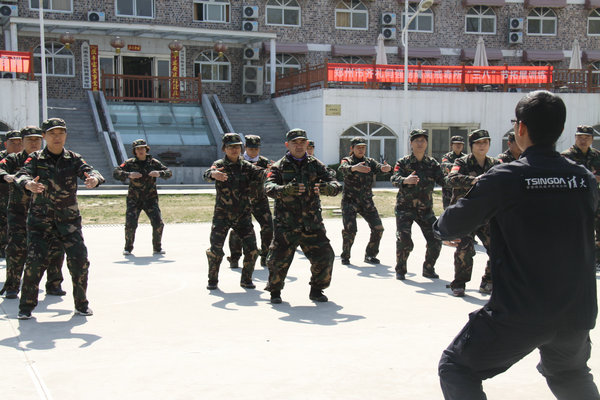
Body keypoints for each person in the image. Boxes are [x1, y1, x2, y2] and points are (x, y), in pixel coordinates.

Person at [435, 90, 600, 400]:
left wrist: (440, 228)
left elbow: (450, 226)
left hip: (520, 311)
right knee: (569, 374)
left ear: (520, 128)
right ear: (560, 129)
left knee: (456, 367)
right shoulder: (583, 178)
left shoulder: (506, 177)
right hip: (576, 311)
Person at [15, 118, 105, 320]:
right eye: (52, 134)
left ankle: (81, 304)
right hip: (41, 222)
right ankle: (26, 307)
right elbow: (22, 174)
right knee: (35, 263)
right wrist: (29, 184)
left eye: (61, 133)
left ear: (65, 135)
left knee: (80, 261)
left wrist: (94, 179)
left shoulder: (73, 158)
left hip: (69, 222)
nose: (57, 137)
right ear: (44, 136)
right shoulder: (36, 158)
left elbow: (91, 171)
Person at [264, 128, 341, 304]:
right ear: (287, 145)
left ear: (307, 144)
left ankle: (316, 290)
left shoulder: (316, 165)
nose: (299, 146)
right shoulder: (278, 166)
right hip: (286, 224)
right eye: (294, 143)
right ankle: (275, 291)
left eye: (302, 142)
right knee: (277, 261)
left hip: (312, 223)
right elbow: (268, 187)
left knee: (325, 256)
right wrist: (285, 190)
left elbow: (336, 184)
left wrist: (328, 188)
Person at [0, 126, 65, 299]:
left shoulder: (47, 158)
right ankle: (12, 286)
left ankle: (54, 284)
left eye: (37, 139)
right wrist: (6, 176)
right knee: (16, 248)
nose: (34, 143)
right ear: (22, 142)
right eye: (30, 139)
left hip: (46, 211)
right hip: (19, 211)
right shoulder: (14, 159)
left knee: (55, 246)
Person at [203, 133, 265, 290]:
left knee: (252, 249)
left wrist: (273, 171)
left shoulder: (246, 166)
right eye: (230, 147)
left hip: (243, 216)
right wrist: (213, 174)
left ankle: (246, 279)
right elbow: (207, 174)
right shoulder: (219, 165)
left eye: (237, 146)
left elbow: (262, 174)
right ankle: (212, 280)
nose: (234, 149)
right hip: (222, 215)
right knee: (216, 250)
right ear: (224, 148)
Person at [445, 129, 500, 297]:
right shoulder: (462, 162)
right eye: (478, 143)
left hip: (486, 215)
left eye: (485, 142)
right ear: (471, 146)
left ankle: (488, 280)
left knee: (497, 247)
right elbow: (450, 179)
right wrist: (473, 180)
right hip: (466, 215)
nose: (482, 146)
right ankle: (459, 283)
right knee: (465, 249)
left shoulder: (495, 164)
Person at [390, 129, 445, 280]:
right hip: (405, 209)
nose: (420, 143)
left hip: (425, 209)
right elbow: (394, 178)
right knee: (404, 240)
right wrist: (405, 180)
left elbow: (444, 181)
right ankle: (401, 269)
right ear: (411, 143)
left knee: (436, 239)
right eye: (417, 141)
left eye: (423, 141)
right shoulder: (403, 162)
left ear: (426, 143)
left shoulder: (432, 163)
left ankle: (428, 268)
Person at [113, 139, 172, 256]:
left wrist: (159, 173)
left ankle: (157, 247)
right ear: (134, 151)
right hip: (134, 199)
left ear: (146, 149)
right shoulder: (129, 163)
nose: (140, 151)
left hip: (150, 199)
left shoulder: (153, 162)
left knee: (158, 223)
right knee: (130, 224)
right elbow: (116, 172)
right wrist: (128, 175)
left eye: (142, 148)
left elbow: (169, 172)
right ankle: (128, 248)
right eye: (138, 149)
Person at [338, 136, 391, 264]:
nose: (361, 150)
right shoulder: (347, 160)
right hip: (350, 201)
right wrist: (354, 168)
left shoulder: (369, 161)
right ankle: (345, 255)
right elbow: (342, 168)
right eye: (358, 147)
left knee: (378, 228)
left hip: (366, 202)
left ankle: (370, 255)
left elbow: (379, 168)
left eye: (363, 147)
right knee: (350, 230)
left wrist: (386, 168)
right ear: (352, 148)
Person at [227, 135, 273, 268]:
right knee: (237, 230)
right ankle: (235, 257)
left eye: (256, 149)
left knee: (268, 227)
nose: (254, 151)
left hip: (260, 200)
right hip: (242, 201)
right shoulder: (238, 161)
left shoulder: (265, 162)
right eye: (251, 148)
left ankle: (265, 255)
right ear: (245, 148)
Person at [561, 125, 600, 269]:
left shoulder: (597, 156)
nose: (583, 140)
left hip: (595, 198)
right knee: (576, 231)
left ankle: (597, 260)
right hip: (574, 200)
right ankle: (574, 259)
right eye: (580, 137)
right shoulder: (566, 156)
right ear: (575, 138)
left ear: (592, 139)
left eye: (587, 137)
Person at [0, 130, 23, 258]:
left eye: (19, 143)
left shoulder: (26, 158)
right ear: (5, 144)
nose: (16, 146)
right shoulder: (2, 158)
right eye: (12, 143)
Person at [440, 136, 466, 210]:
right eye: (456, 144)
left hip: (462, 189)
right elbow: (446, 166)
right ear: (451, 145)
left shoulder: (466, 158)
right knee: (448, 211)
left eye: (460, 144)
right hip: (449, 190)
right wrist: (460, 168)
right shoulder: (446, 157)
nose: (459, 146)